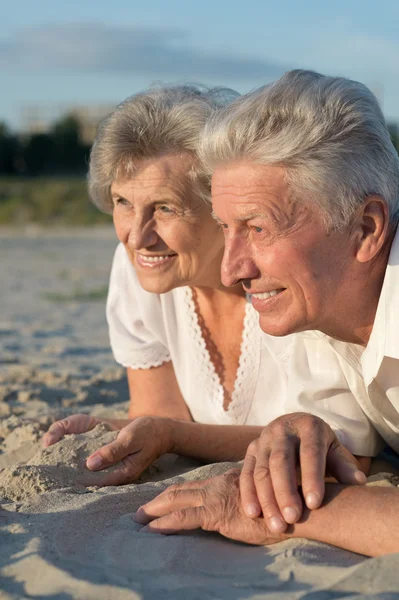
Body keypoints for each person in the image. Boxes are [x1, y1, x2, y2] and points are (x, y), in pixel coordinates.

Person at [43, 83, 377, 487]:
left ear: (223, 205)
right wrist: (113, 429)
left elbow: (339, 451)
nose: (136, 236)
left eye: (165, 208)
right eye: (122, 203)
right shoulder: (143, 268)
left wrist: (172, 435)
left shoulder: (292, 285)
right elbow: (161, 415)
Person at [136, 70, 399, 557]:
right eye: (224, 227)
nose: (233, 269)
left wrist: (273, 515)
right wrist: (300, 428)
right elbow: (354, 452)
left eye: (258, 228)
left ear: (366, 227)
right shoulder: (322, 301)